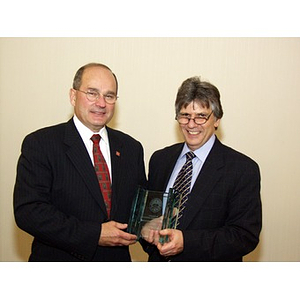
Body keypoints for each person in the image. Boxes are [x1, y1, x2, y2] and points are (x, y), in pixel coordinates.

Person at [13, 63, 147, 261]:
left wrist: (153, 231)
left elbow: (140, 210)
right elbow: (29, 211)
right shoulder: (41, 144)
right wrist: (94, 234)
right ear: (73, 96)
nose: (101, 103)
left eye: (109, 96)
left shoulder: (131, 148)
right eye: (92, 93)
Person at [142, 76, 262, 261]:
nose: (191, 124)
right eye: (185, 116)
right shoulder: (160, 160)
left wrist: (187, 242)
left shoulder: (242, 169)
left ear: (216, 120)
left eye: (201, 116)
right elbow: (148, 217)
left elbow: (244, 236)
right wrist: (147, 233)